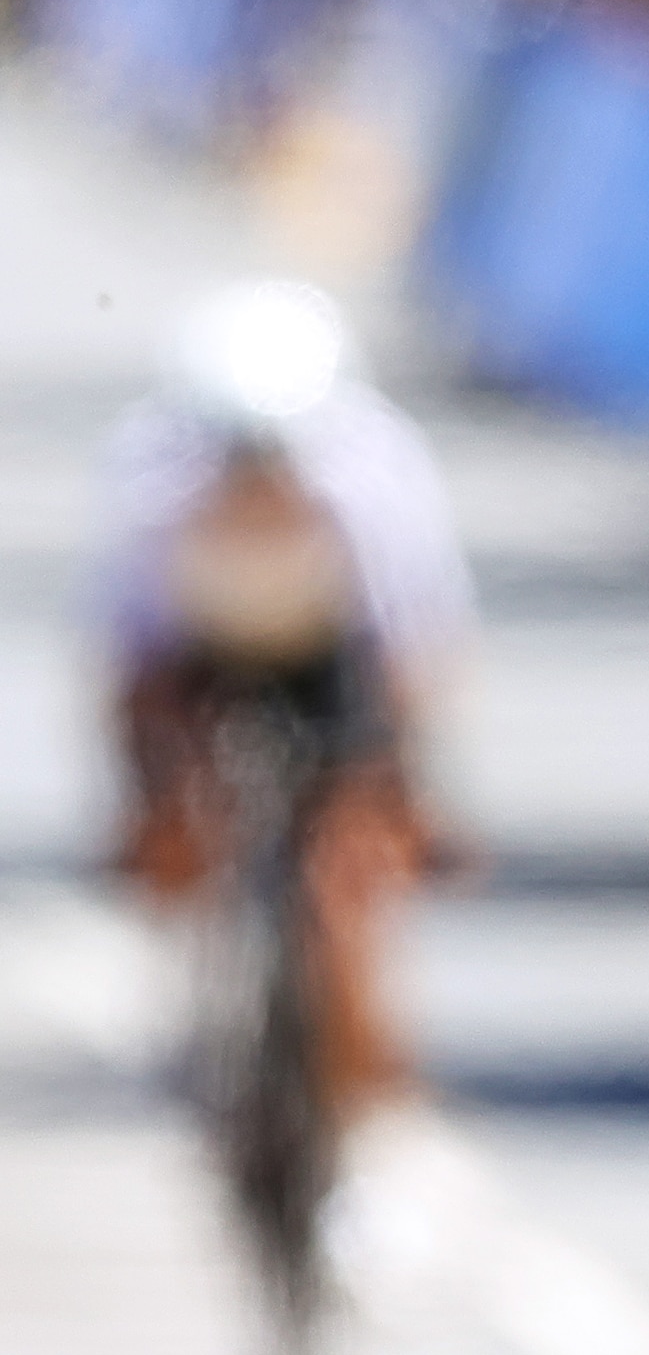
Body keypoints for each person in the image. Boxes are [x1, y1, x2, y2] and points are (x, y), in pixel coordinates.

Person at [102, 279, 474, 1131]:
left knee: (345, 883)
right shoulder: (150, 479)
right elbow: (129, 660)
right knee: (169, 829)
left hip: (331, 653)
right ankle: (207, 1020)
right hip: (203, 650)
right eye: (237, 460)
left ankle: (357, 1099)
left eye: (277, 462)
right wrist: (149, 802)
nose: (257, 484)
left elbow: (414, 649)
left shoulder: (375, 475)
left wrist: (399, 793)